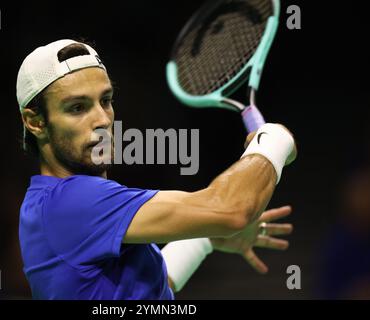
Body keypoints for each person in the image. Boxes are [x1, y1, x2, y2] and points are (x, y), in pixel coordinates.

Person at [16, 39, 297, 299]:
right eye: (77, 108)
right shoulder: (71, 203)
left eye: (105, 101)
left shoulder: (51, 208)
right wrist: (274, 140)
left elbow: (149, 293)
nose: (102, 119)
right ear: (36, 122)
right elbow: (232, 209)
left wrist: (203, 241)